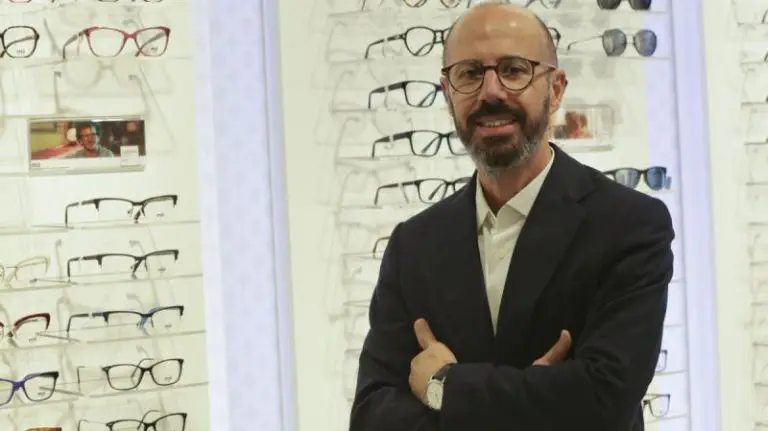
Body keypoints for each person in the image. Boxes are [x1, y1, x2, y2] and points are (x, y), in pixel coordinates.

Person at [349, 3, 673, 431]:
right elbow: (372, 416)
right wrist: (539, 399)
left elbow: (603, 401)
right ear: (447, 94)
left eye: (514, 70)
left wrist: (444, 387)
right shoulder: (414, 246)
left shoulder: (628, 226)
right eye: (469, 73)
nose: (491, 92)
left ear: (556, 89)